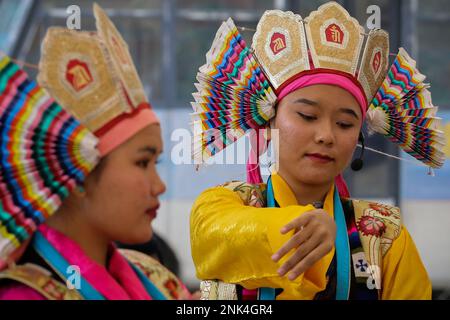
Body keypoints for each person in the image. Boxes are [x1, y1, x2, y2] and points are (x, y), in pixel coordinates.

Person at [190, 2, 445, 300]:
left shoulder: (385, 235)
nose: (326, 136)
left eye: (345, 123)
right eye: (307, 117)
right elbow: (210, 237)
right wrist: (305, 228)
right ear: (270, 119)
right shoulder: (223, 205)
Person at [0, 4, 191, 300]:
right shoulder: (24, 294)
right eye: (142, 162)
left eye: (157, 162)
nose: (159, 185)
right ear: (78, 178)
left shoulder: (153, 276)